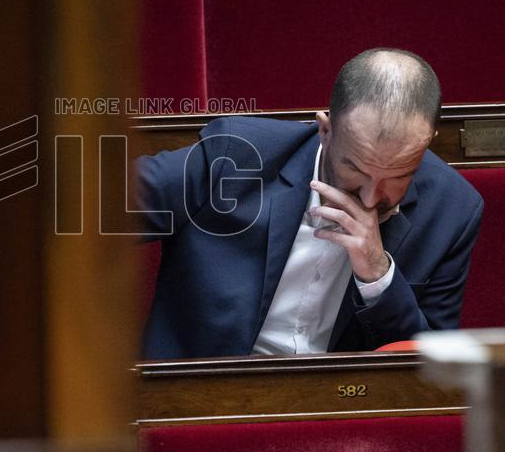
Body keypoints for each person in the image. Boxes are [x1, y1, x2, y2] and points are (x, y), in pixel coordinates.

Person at [136, 48, 484, 359]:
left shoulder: (453, 209)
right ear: (325, 130)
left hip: (342, 411)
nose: (369, 198)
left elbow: (433, 366)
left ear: (427, 145)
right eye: (354, 168)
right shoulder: (235, 157)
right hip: (202, 403)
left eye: (399, 175)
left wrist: (378, 274)